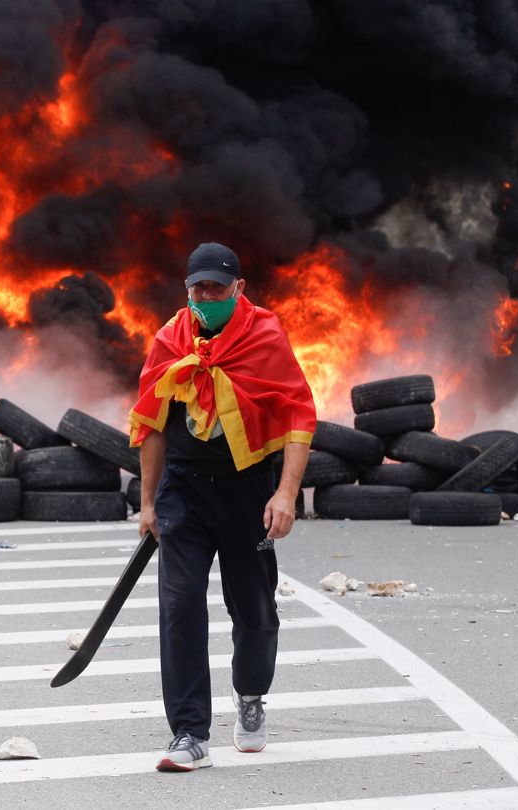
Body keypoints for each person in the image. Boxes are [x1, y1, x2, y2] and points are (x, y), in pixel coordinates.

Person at [129, 241, 316, 772]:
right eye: (198, 288)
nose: (206, 296)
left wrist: (285, 493)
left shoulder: (265, 337)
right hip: (183, 493)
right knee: (180, 609)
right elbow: (153, 425)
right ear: (186, 289)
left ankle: (251, 694)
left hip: (246, 491)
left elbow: (299, 417)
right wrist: (147, 504)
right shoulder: (170, 339)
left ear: (240, 288)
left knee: (254, 612)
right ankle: (189, 733)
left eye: (217, 287)